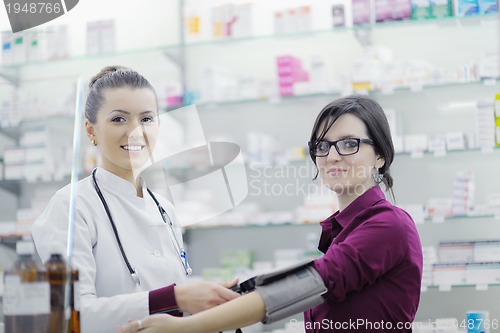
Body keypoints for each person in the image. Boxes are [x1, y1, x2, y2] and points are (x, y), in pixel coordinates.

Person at [118, 95, 423, 333]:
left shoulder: (389, 225)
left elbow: (317, 281)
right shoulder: (342, 230)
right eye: (322, 145)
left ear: (381, 155)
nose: (331, 156)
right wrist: (231, 296)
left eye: (349, 144)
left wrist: (187, 327)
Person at [31, 66, 239, 333]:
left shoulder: (165, 209)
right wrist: (176, 297)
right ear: (91, 131)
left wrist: (211, 303)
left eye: (147, 119)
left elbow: (173, 313)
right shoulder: (70, 207)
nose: (135, 132)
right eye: (119, 119)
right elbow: (72, 316)